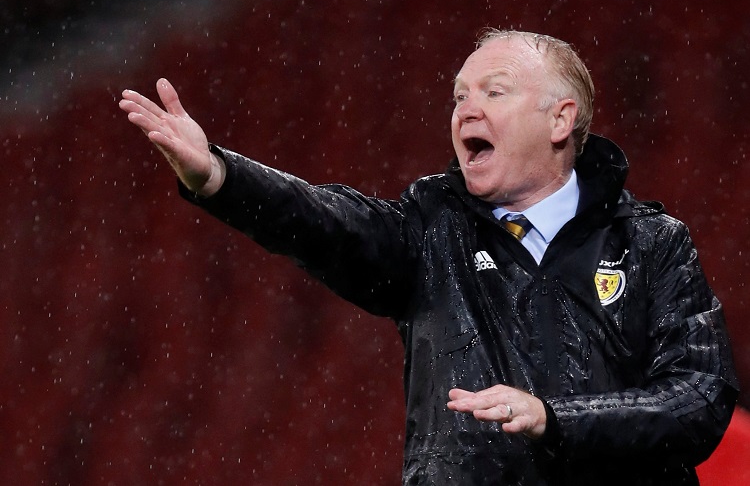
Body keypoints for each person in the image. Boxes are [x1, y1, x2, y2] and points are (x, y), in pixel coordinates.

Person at [119, 29, 738, 485]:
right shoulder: (431, 228)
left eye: (494, 92)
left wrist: (557, 418)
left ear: (560, 119)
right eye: (458, 96)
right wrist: (221, 177)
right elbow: (326, 223)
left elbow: (700, 398)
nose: (466, 109)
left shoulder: (653, 244)